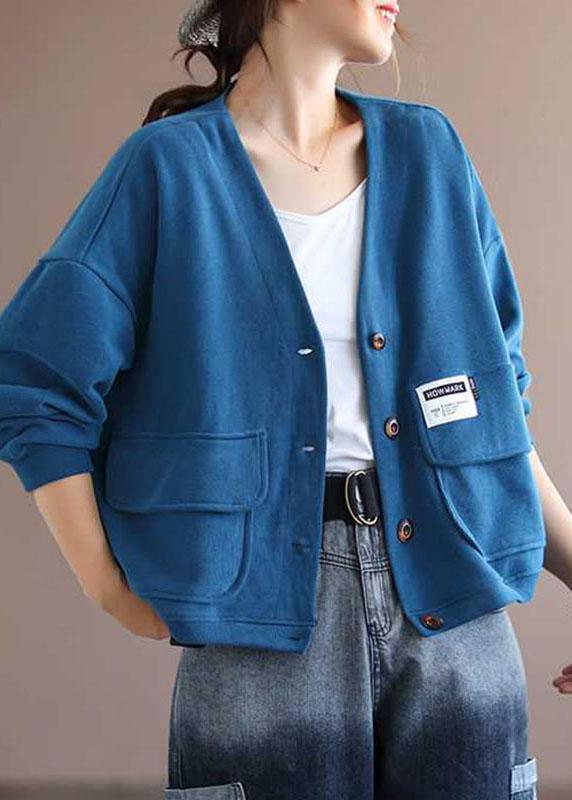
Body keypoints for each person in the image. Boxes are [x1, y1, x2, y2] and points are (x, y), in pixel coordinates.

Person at [0, 1, 570, 798]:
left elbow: (497, 415)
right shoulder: (166, 169)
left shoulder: (430, 152)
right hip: (257, 622)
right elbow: (33, 379)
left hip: (455, 610)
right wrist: (105, 584)